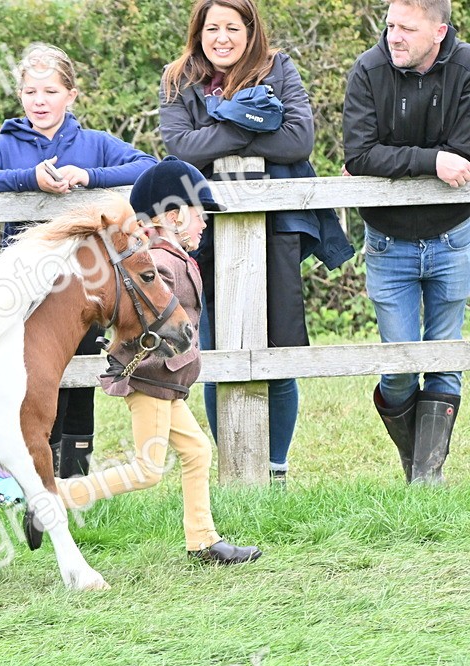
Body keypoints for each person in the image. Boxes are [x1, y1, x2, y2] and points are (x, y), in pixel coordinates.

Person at [160, 0, 351, 485]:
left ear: (250, 31)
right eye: (211, 28)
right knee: (216, 349)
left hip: (276, 227)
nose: (221, 38)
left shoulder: (277, 68)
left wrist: (218, 130)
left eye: (231, 27)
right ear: (198, 32)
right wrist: (251, 121)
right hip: (203, 231)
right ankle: (240, 469)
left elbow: (297, 142)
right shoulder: (178, 79)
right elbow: (182, 148)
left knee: (277, 347)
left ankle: (276, 468)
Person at [0, 43, 157, 479]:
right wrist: (29, 180)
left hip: (84, 287)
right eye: (30, 93)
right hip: (24, 287)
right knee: (27, 375)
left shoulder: (95, 145)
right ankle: (24, 475)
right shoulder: (6, 144)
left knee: (79, 374)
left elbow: (147, 166)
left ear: (71, 95)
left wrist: (90, 178)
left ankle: (75, 478)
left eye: (49, 92)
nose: (39, 102)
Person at [56, 158, 263, 565]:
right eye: (199, 215)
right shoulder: (156, 263)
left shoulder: (173, 258)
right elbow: (137, 318)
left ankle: (203, 541)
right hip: (150, 380)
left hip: (168, 384)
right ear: (173, 216)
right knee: (147, 470)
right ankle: (54, 500)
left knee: (198, 451)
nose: (204, 224)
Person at [344, 0, 470, 484]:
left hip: (453, 235)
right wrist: (432, 162)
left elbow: (466, 152)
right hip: (388, 240)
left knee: (444, 359)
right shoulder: (368, 69)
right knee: (397, 365)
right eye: (390, 24)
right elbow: (358, 152)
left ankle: (425, 480)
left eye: (406, 28)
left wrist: (396, 157)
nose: (393, 35)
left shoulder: (465, 68)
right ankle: (417, 460)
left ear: (439, 31)